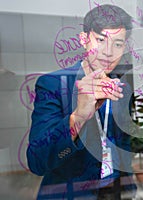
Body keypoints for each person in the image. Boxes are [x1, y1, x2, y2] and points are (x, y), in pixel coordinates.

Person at [26, 4, 136, 199]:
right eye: (101, 40)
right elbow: (37, 161)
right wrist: (78, 116)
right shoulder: (52, 84)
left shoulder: (122, 89)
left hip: (115, 191)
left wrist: (128, 186)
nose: (109, 52)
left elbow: (123, 141)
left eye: (118, 44)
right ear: (84, 39)